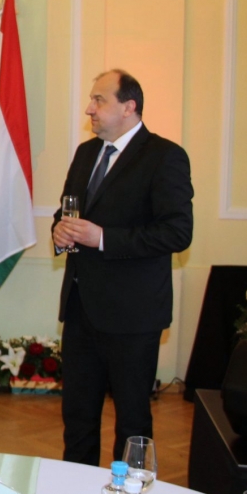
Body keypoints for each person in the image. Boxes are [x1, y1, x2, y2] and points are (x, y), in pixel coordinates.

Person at [52, 69, 193, 466]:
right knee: (77, 418)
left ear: (129, 107)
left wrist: (103, 238)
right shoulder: (86, 154)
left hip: (133, 315)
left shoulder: (164, 156)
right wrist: (60, 232)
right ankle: (74, 491)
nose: (89, 109)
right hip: (81, 309)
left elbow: (177, 232)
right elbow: (66, 213)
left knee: (132, 421)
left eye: (98, 100)